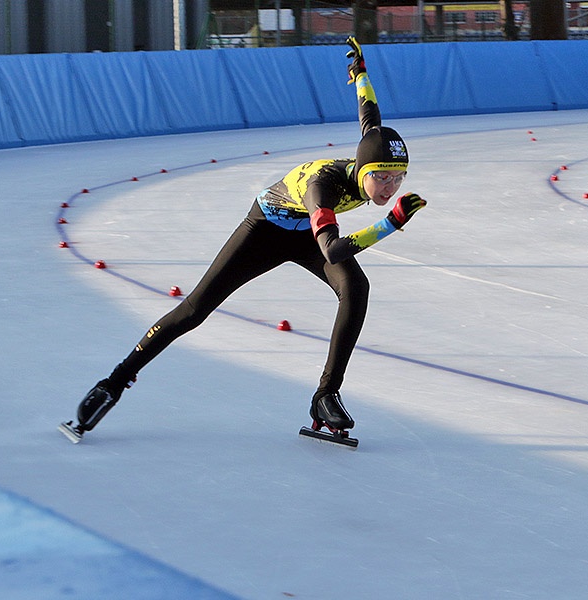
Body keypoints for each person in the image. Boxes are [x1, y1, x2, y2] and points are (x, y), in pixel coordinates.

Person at [60, 37, 427, 442]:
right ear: (361, 168)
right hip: (265, 230)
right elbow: (334, 249)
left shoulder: (370, 149)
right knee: (194, 310)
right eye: (382, 177)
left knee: (356, 288)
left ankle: (325, 395)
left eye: (398, 178)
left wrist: (360, 72)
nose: (389, 187)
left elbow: (370, 114)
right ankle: (113, 382)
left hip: (306, 231)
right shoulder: (322, 187)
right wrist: (389, 223)